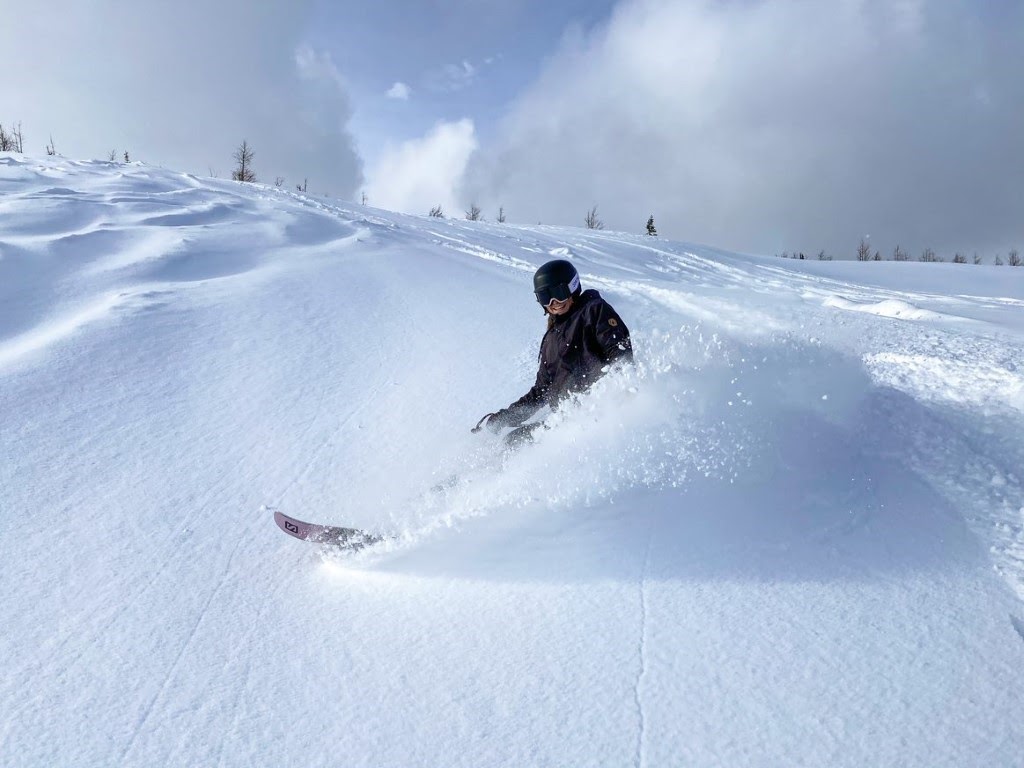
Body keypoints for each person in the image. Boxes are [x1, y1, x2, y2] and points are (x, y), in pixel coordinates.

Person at [474, 259, 633, 447]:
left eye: (558, 294)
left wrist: (619, 398)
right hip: (565, 419)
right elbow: (541, 392)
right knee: (514, 439)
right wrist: (504, 418)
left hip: (595, 413)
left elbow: (620, 354)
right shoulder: (551, 339)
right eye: (545, 297)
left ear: (572, 287)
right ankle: (482, 474)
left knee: (517, 442)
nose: (553, 303)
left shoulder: (593, 310)